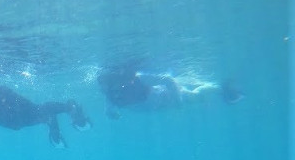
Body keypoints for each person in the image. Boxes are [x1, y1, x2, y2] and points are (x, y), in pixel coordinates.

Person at [97, 65, 244, 119]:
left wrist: (178, 98)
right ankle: (216, 89)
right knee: (195, 99)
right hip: (159, 106)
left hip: (167, 97)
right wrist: (113, 115)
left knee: (194, 97)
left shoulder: (138, 79)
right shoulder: (110, 94)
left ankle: (219, 88)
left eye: (106, 83)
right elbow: (108, 110)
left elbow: (168, 79)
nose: (104, 88)